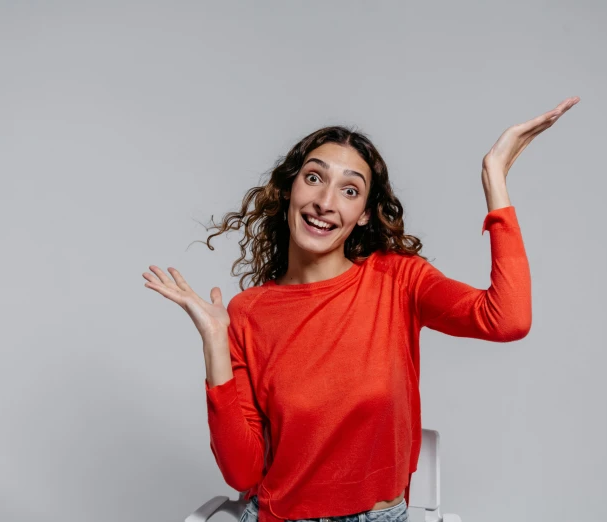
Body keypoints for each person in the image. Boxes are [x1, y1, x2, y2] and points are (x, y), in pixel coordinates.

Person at [142, 96, 580, 522]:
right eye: (314, 178)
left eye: (349, 190)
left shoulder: (398, 281)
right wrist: (216, 343)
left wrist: (495, 177)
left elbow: (509, 318)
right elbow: (242, 472)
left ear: (365, 214)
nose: (326, 202)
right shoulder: (248, 312)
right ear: (290, 188)